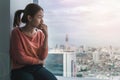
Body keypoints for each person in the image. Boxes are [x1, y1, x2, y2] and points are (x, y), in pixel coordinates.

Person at [10, 3, 57, 80]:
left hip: (36, 68)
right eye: (39, 17)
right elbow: (20, 58)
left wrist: (46, 36)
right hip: (20, 69)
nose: (42, 21)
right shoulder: (16, 32)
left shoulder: (40, 34)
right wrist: (39, 61)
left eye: (42, 17)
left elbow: (42, 56)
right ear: (29, 18)